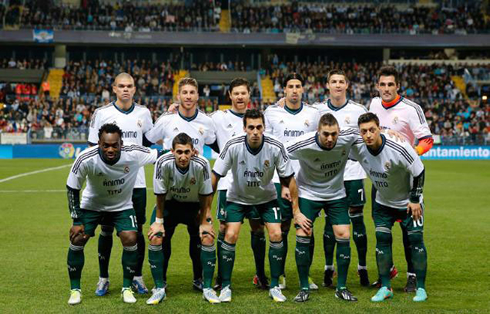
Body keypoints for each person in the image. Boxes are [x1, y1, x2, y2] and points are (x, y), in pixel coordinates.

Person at [212, 109, 299, 303]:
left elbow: (290, 179)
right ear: (244, 128)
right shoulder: (232, 145)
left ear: (264, 127)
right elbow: (215, 175)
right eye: (250, 127)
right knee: (231, 234)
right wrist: (205, 212)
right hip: (238, 198)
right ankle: (225, 285)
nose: (255, 132)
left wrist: (297, 211)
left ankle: (275, 285)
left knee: (276, 234)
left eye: (259, 127)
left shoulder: (275, 146)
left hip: (266, 199)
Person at [66, 123, 159, 305]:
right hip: (92, 205)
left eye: (114, 145)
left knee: (131, 237)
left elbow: (161, 155)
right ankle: (75, 290)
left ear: (121, 144)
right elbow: (72, 188)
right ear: (98, 143)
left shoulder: (133, 153)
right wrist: (76, 219)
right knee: (77, 238)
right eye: (105, 145)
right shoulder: (86, 158)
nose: (110, 149)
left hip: (121, 206)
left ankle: (126, 288)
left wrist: (185, 152)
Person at [145, 77, 217, 290]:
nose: (188, 96)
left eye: (191, 92)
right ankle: (161, 282)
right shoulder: (167, 120)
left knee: (199, 238)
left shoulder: (207, 121)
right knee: (159, 236)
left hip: (195, 192)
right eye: (184, 92)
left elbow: (217, 145)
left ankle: (199, 278)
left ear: (197, 96)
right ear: (178, 96)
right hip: (169, 193)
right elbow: (148, 140)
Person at [88, 72, 153, 296]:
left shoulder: (144, 113)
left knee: (137, 230)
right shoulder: (102, 113)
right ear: (114, 89)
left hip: (137, 182)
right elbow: (92, 149)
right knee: (106, 230)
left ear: (135, 89)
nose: (126, 89)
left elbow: (148, 145)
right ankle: (103, 278)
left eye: (130, 86)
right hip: (109, 183)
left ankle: (137, 276)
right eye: (121, 86)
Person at [369, 65, 433, 292]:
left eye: (390, 85)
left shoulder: (410, 109)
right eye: (382, 85)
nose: (386, 89)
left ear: (398, 86)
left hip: (405, 181)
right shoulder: (374, 104)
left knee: (409, 234)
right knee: (381, 231)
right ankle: (387, 272)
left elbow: (427, 140)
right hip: (380, 178)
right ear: (377, 86)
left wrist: (412, 153)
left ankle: (413, 275)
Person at [351, 112, 428, 302]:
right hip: (383, 203)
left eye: (372, 130)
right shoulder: (358, 148)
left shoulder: (398, 147)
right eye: (364, 132)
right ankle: (386, 287)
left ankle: (421, 288)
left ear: (380, 129)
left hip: (409, 202)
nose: (368, 135)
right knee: (382, 240)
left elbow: (419, 171)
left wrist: (415, 199)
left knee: (416, 241)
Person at [286, 113, 360, 302]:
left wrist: (389, 131)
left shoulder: (348, 136)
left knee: (343, 234)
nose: (330, 139)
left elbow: (373, 132)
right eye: (325, 134)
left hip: (336, 194)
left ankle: (341, 287)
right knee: (303, 234)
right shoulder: (303, 143)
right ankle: (304, 287)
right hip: (308, 193)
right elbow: (278, 155)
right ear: (317, 131)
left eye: (334, 134)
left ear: (339, 131)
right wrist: (285, 186)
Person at [312, 69, 370, 287]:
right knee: (330, 220)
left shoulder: (358, 110)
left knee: (357, 218)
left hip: (353, 173)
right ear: (327, 85)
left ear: (347, 85)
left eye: (341, 82)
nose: (337, 85)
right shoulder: (316, 111)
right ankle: (329, 269)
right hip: (327, 174)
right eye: (333, 82)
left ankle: (362, 268)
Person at [146, 133, 219, 304]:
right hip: (169, 205)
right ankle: (159, 286)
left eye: (187, 152)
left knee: (206, 238)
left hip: (194, 206)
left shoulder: (202, 164)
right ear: (172, 151)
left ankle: (204, 285)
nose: (183, 156)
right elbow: (160, 195)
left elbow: (206, 193)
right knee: (156, 238)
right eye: (179, 152)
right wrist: (158, 222)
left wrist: (205, 218)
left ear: (193, 151)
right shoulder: (162, 163)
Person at [210, 78, 269, 290]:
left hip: (254, 184)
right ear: (230, 96)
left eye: (243, 93)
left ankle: (260, 274)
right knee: (225, 228)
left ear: (249, 95)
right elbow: (198, 125)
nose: (240, 97)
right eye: (236, 93)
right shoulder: (218, 117)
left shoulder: (259, 118)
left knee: (258, 227)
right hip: (228, 183)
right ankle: (221, 276)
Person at [264, 73, 320, 290]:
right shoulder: (272, 112)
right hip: (280, 179)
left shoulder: (314, 113)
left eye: (298, 86)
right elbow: (268, 144)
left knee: (307, 226)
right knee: (282, 226)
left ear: (303, 89)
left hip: (305, 179)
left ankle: (306, 274)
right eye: (290, 86)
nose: (294, 90)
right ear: (284, 90)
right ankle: (281, 275)